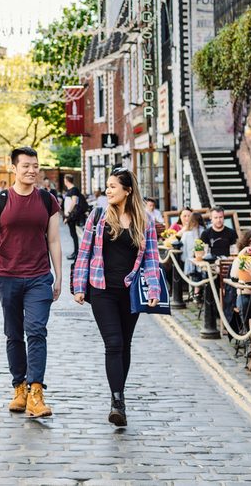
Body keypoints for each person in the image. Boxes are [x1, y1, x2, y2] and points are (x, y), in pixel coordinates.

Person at [72, 168, 161, 427]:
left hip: (130, 290)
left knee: (125, 344)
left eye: (113, 186)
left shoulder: (144, 220)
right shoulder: (99, 216)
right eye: (107, 186)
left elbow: (151, 258)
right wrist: (79, 286)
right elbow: (84, 253)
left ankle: (118, 396)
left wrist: (153, 290)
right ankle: (117, 401)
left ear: (128, 190)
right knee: (113, 344)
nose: (108, 190)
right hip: (102, 290)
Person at [0, 146, 62, 418]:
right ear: (13, 168)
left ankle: (36, 392)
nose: (31, 170)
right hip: (7, 277)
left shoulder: (48, 200)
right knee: (13, 334)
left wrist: (59, 275)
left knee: (36, 330)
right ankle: (19, 388)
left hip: (38, 277)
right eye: (26, 165)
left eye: (35, 165)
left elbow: (53, 240)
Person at [62, 174, 85, 261]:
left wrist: (68, 214)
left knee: (74, 234)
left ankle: (76, 253)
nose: (64, 182)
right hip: (70, 216)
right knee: (73, 234)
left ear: (66, 180)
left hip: (72, 216)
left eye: (64, 180)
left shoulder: (74, 189)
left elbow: (74, 202)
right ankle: (75, 252)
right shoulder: (70, 190)